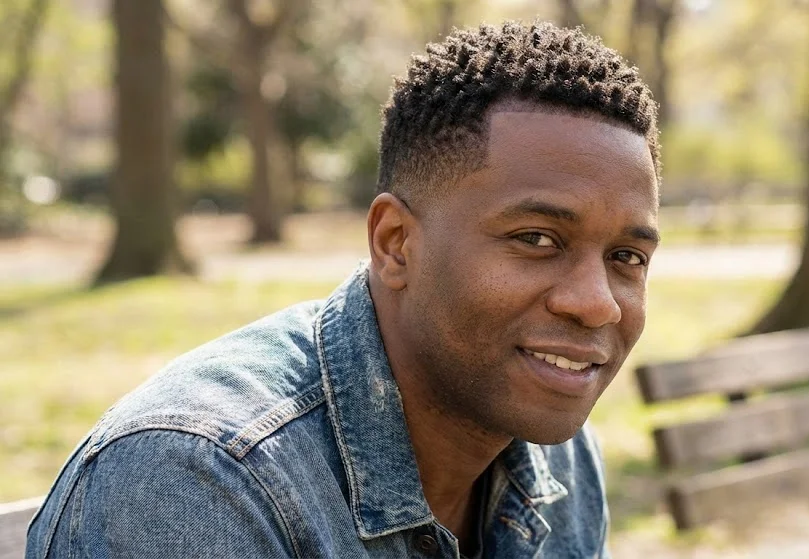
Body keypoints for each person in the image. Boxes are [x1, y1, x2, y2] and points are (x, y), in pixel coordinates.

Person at [27, 20, 660, 558]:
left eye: (627, 256)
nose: (596, 301)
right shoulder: (196, 480)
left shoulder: (558, 455)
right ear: (395, 244)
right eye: (537, 239)